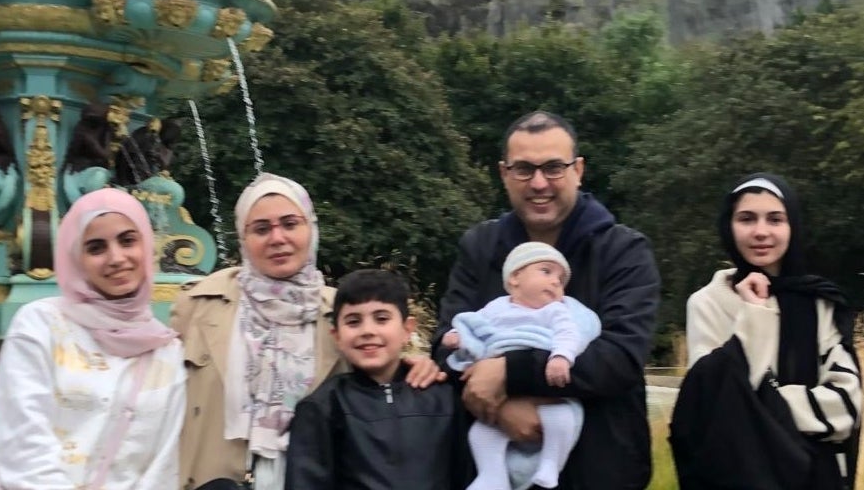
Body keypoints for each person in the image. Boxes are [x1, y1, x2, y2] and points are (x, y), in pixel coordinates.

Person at [433, 110, 660, 490]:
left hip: (599, 468)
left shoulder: (624, 251)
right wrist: (502, 409)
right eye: (524, 169)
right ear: (505, 173)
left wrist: (512, 372)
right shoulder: (481, 247)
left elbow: (619, 359)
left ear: (579, 170)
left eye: (554, 167)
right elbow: (446, 345)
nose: (539, 183)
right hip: (493, 467)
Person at [171, 173, 443, 490]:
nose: (277, 238)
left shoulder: (341, 312)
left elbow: (381, 371)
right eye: (261, 229)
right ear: (243, 238)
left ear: (310, 229)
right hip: (215, 479)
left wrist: (418, 365)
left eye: (290, 224)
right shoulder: (198, 303)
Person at [0, 187, 185, 490]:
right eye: (96, 248)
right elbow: (22, 443)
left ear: (147, 245)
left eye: (127, 240)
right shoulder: (42, 325)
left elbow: (164, 467)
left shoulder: (167, 351)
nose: (116, 258)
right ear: (75, 257)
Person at [670, 174, 863, 490]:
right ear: (729, 226)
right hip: (737, 476)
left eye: (775, 219)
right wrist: (754, 314)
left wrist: (764, 405)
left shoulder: (817, 303)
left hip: (814, 477)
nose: (761, 232)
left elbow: (846, 405)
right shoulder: (708, 303)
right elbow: (713, 407)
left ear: (793, 227)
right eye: (746, 219)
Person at [285, 268, 468, 490]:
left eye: (381, 318)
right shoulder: (322, 408)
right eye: (353, 322)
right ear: (337, 336)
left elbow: (467, 477)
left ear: (407, 329)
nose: (368, 330)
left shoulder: (443, 397)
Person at [443, 243, 601, 490]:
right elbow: (475, 324)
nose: (556, 282)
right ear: (515, 277)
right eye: (546, 271)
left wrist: (561, 356)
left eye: (561, 279)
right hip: (498, 388)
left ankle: (550, 464)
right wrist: (458, 335)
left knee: (564, 419)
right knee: (480, 433)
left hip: (546, 387)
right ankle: (492, 475)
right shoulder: (497, 307)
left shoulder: (556, 311)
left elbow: (569, 333)